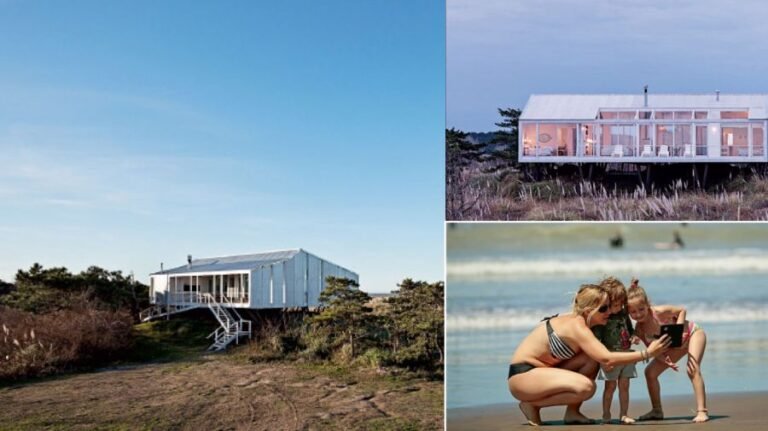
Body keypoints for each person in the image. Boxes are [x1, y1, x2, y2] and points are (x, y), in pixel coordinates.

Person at [507, 283, 671, 426]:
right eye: (604, 308)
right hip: (523, 376)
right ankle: (533, 405)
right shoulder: (577, 327)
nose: (609, 312)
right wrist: (647, 353)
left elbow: (601, 355)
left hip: (542, 372)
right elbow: (606, 357)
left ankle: (572, 412)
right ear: (588, 310)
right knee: (587, 388)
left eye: (609, 306)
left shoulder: (583, 323)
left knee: (590, 359)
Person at [627, 278, 709, 423]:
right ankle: (657, 410)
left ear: (648, 305)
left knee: (692, 369)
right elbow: (654, 351)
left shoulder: (659, 312)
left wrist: (679, 330)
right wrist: (668, 361)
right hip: (676, 346)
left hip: (692, 334)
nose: (638, 314)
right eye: (633, 312)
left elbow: (682, 310)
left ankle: (702, 411)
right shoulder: (640, 329)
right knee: (650, 373)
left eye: (641, 309)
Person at [592, 277, 636, 424]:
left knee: (625, 386)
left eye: (620, 304)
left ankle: (624, 414)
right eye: (614, 305)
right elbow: (596, 342)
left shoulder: (624, 314)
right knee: (610, 387)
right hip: (610, 358)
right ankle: (606, 414)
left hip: (627, 356)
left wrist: (634, 337)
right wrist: (602, 361)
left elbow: (631, 330)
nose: (617, 308)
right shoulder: (603, 318)